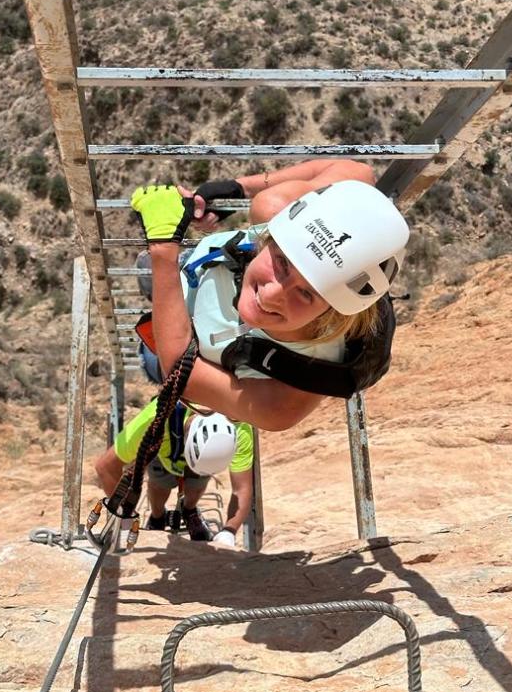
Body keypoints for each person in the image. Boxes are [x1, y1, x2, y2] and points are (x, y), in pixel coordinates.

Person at [129, 159, 410, 432]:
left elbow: (179, 372)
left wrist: (164, 249)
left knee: (151, 355)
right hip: (203, 269)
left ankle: (161, 283)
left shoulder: (282, 400)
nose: (273, 293)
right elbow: (359, 172)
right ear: (269, 237)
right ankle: (167, 278)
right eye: (282, 262)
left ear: (332, 312)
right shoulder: (273, 210)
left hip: (184, 345)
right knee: (263, 206)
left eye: (306, 293)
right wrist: (238, 188)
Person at [94, 397, 254, 547]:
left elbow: (241, 489)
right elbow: (106, 467)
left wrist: (229, 531)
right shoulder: (156, 418)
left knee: (197, 485)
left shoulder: (240, 429)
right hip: (162, 451)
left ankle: (189, 510)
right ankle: (157, 516)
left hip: (191, 457)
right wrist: (127, 516)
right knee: (159, 486)